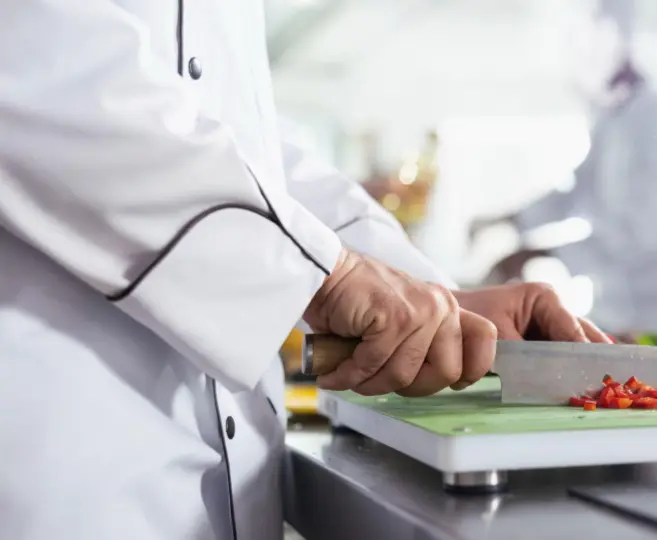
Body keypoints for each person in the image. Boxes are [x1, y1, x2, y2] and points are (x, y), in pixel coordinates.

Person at [0, 3, 608, 540]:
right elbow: (43, 67)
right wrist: (329, 276)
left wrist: (433, 300)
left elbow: (249, 142)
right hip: (64, 461)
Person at [473, 4, 657, 337]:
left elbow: (638, 234)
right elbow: (575, 191)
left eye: (579, 38)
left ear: (615, 38)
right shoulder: (614, 121)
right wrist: (510, 221)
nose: (571, 56)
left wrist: (541, 253)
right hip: (633, 313)